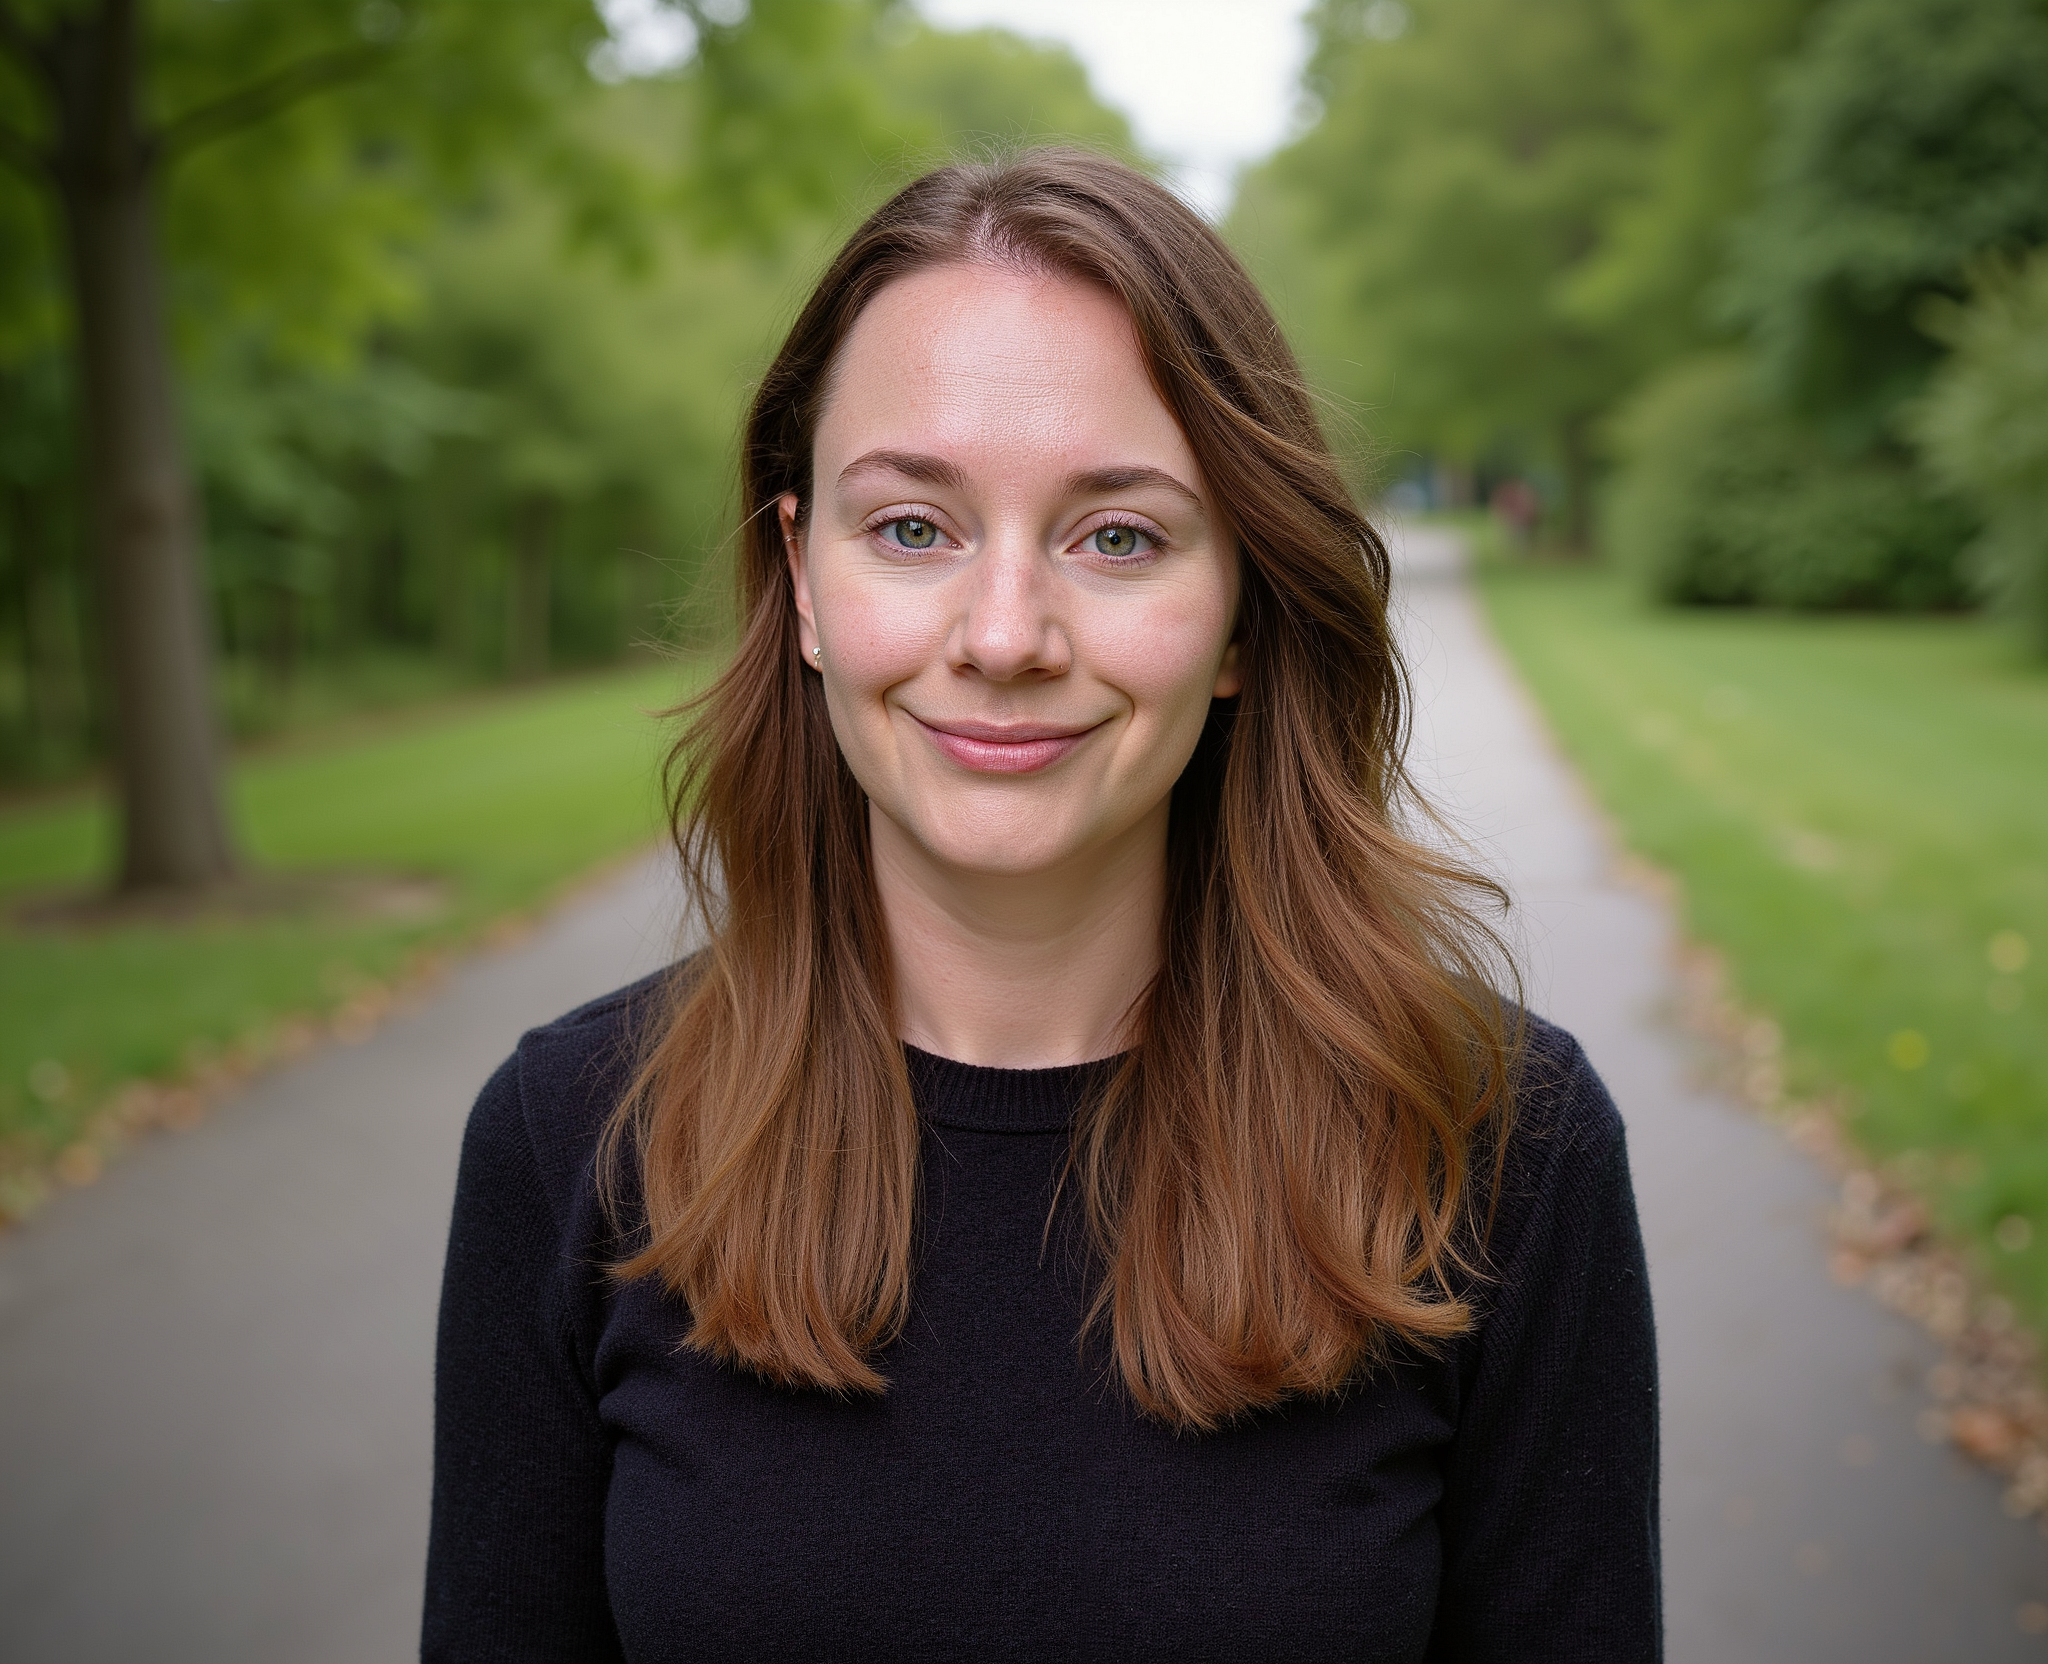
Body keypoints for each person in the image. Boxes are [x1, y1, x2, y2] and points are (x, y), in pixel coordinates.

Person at [423, 149, 1659, 1662]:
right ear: (801, 581)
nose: (1005, 636)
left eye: (1118, 536)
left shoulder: (1498, 1144)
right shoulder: (571, 1140)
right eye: (914, 530)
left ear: (1241, 616)